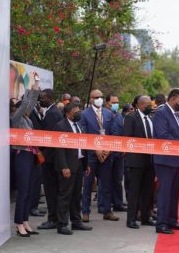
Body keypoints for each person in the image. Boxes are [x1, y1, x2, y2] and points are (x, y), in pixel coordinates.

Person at [153, 89, 179, 234]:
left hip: (177, 160)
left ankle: (172, 220)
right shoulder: (162, 113)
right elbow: (163, 135)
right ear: (173, 99)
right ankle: (161, 224)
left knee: (174, 193)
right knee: (165, 193)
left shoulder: (177, 115)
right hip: (165, 160)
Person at [53, 103, 93, 235]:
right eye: (76, 110)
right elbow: (59, 150)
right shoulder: (60, 126)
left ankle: (76, 221)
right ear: (69, 112)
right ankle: (62, 224)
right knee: (65, 195)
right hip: (68, 166)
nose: (79, 112)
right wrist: (64, 166)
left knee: (76, 195)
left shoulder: (79, 125)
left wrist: (86, 163)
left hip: (79, 164)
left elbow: (84, 145)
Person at [80, 89, 119, 222]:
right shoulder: (84, 114)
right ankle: (85, 211)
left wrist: (107, 149)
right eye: (96, 97)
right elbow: (83, 134)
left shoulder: (109, 114)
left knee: (106, 184)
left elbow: (113, 132)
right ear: (91, 99)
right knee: (88, 184)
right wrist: (95, 148)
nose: (99, 99)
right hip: (91, 155)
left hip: (107, 154)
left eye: (101, 97)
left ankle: (107, 210)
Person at [11, 81, 41, 237]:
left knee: (30, 190)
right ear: (14, 106)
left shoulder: (26, 119)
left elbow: (31, 103)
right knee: (23, 191)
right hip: (21, 155)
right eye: (18, 101)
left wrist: (35, 87)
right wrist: (28, 87)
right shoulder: (15, 118)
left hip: (31, 155)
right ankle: (18, 223)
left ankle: (25, 220)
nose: (23, 104)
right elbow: (25, 105)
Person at [123, 96, 156, 229]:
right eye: (148, 104)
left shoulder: (151, 118)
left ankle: (145, 217)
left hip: (150, 159)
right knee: (134, 191)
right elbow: (127, 138)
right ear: (141, 105)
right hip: (136, 160)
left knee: (148, 191)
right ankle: (131, 219)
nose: (151, 107)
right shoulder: (131, 118)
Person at [38, 88, 64, 230]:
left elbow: (49, 138)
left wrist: (41, 152)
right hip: (52, 157)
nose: (41, 100)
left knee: (51, 190)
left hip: (50, 159)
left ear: (49, 98)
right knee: (53, 189)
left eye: (42, 98)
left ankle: (53, 219)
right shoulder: (52, 112)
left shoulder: (53, 114)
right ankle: (55, 218)